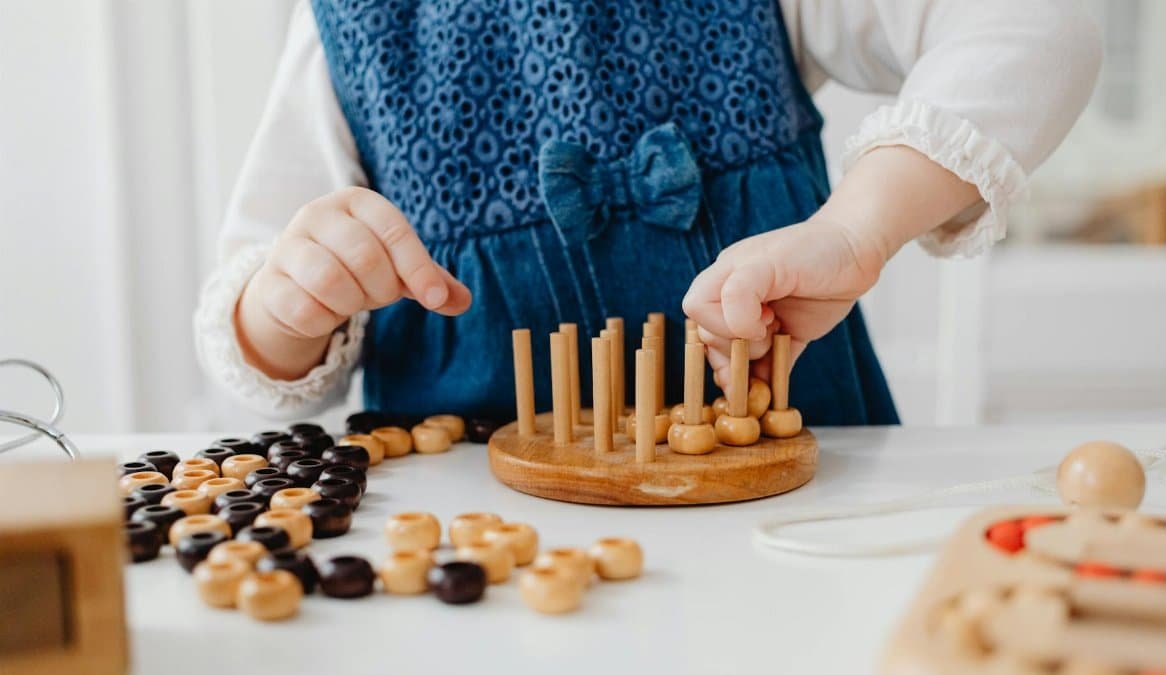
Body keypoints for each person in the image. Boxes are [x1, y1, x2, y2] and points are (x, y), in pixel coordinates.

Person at [195, 0, 1101, 424]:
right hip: (475, 566)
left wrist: (853, 230)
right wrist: (286, 309)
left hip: (797, 516)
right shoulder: (349, 27)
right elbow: (255, 338)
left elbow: (1035, 26)